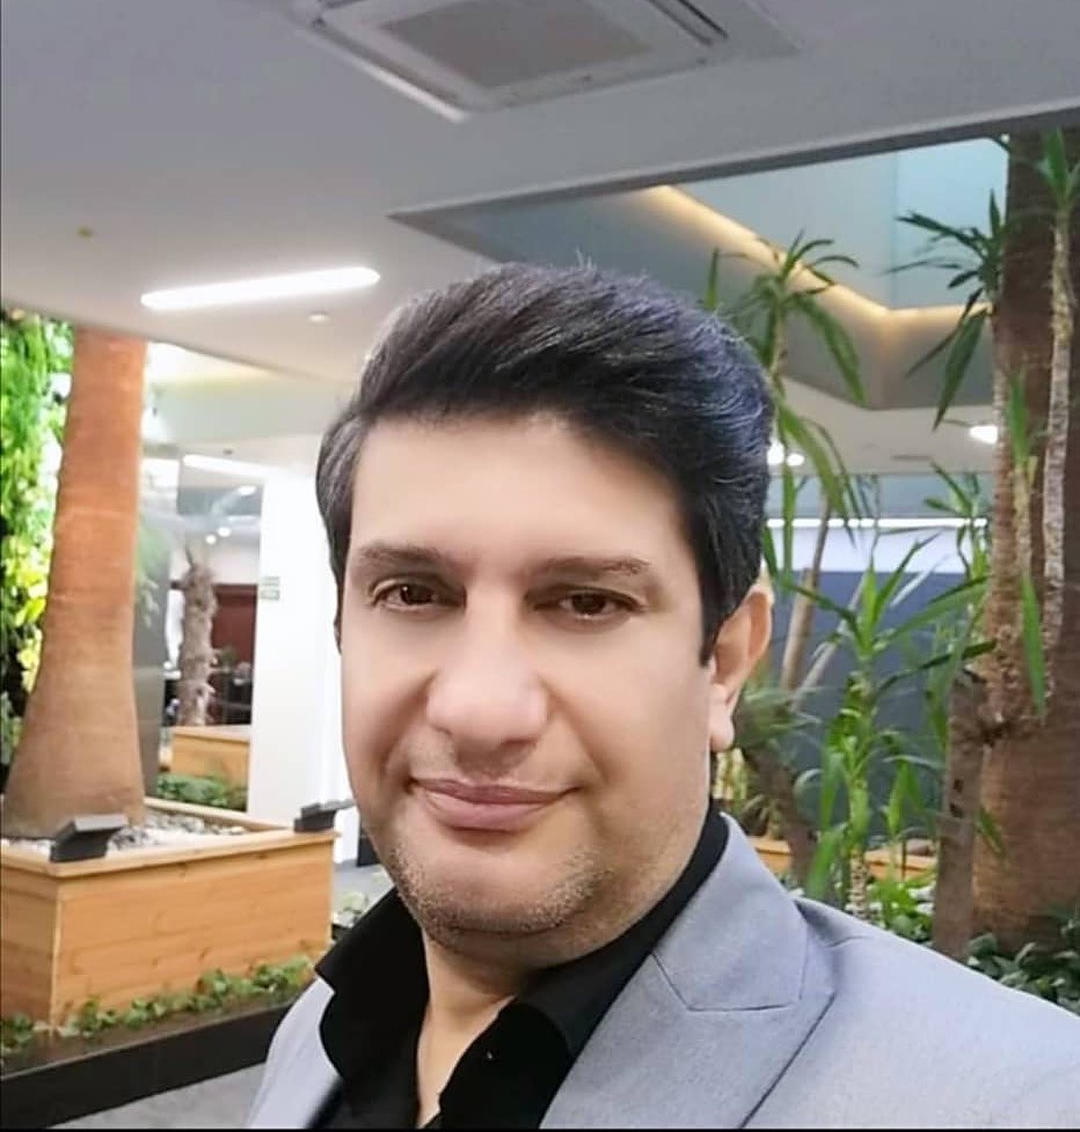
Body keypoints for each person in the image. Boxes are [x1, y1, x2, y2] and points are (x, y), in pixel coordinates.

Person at [249, 264, 1079, 1129]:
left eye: (586, 603)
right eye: (413, 593)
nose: (479, 711)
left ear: (724, 661)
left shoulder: (1021, 1102)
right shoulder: (319, 1034)